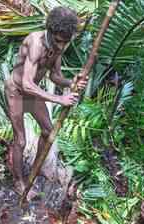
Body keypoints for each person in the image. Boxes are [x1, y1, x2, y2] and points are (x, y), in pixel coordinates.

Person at [5, 6, 87, 194]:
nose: (60, 46)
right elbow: (26, 84)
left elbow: (55, 77)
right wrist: (59, 99)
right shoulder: (35, 43)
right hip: (16, 91)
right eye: (58, 41)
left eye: (65, 42)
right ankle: (18, 180)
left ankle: (36, 168)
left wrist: (71, 81)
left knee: (48, 131)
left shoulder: (59, 45)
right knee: (20, 140)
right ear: (50, 31)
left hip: (32, 92)